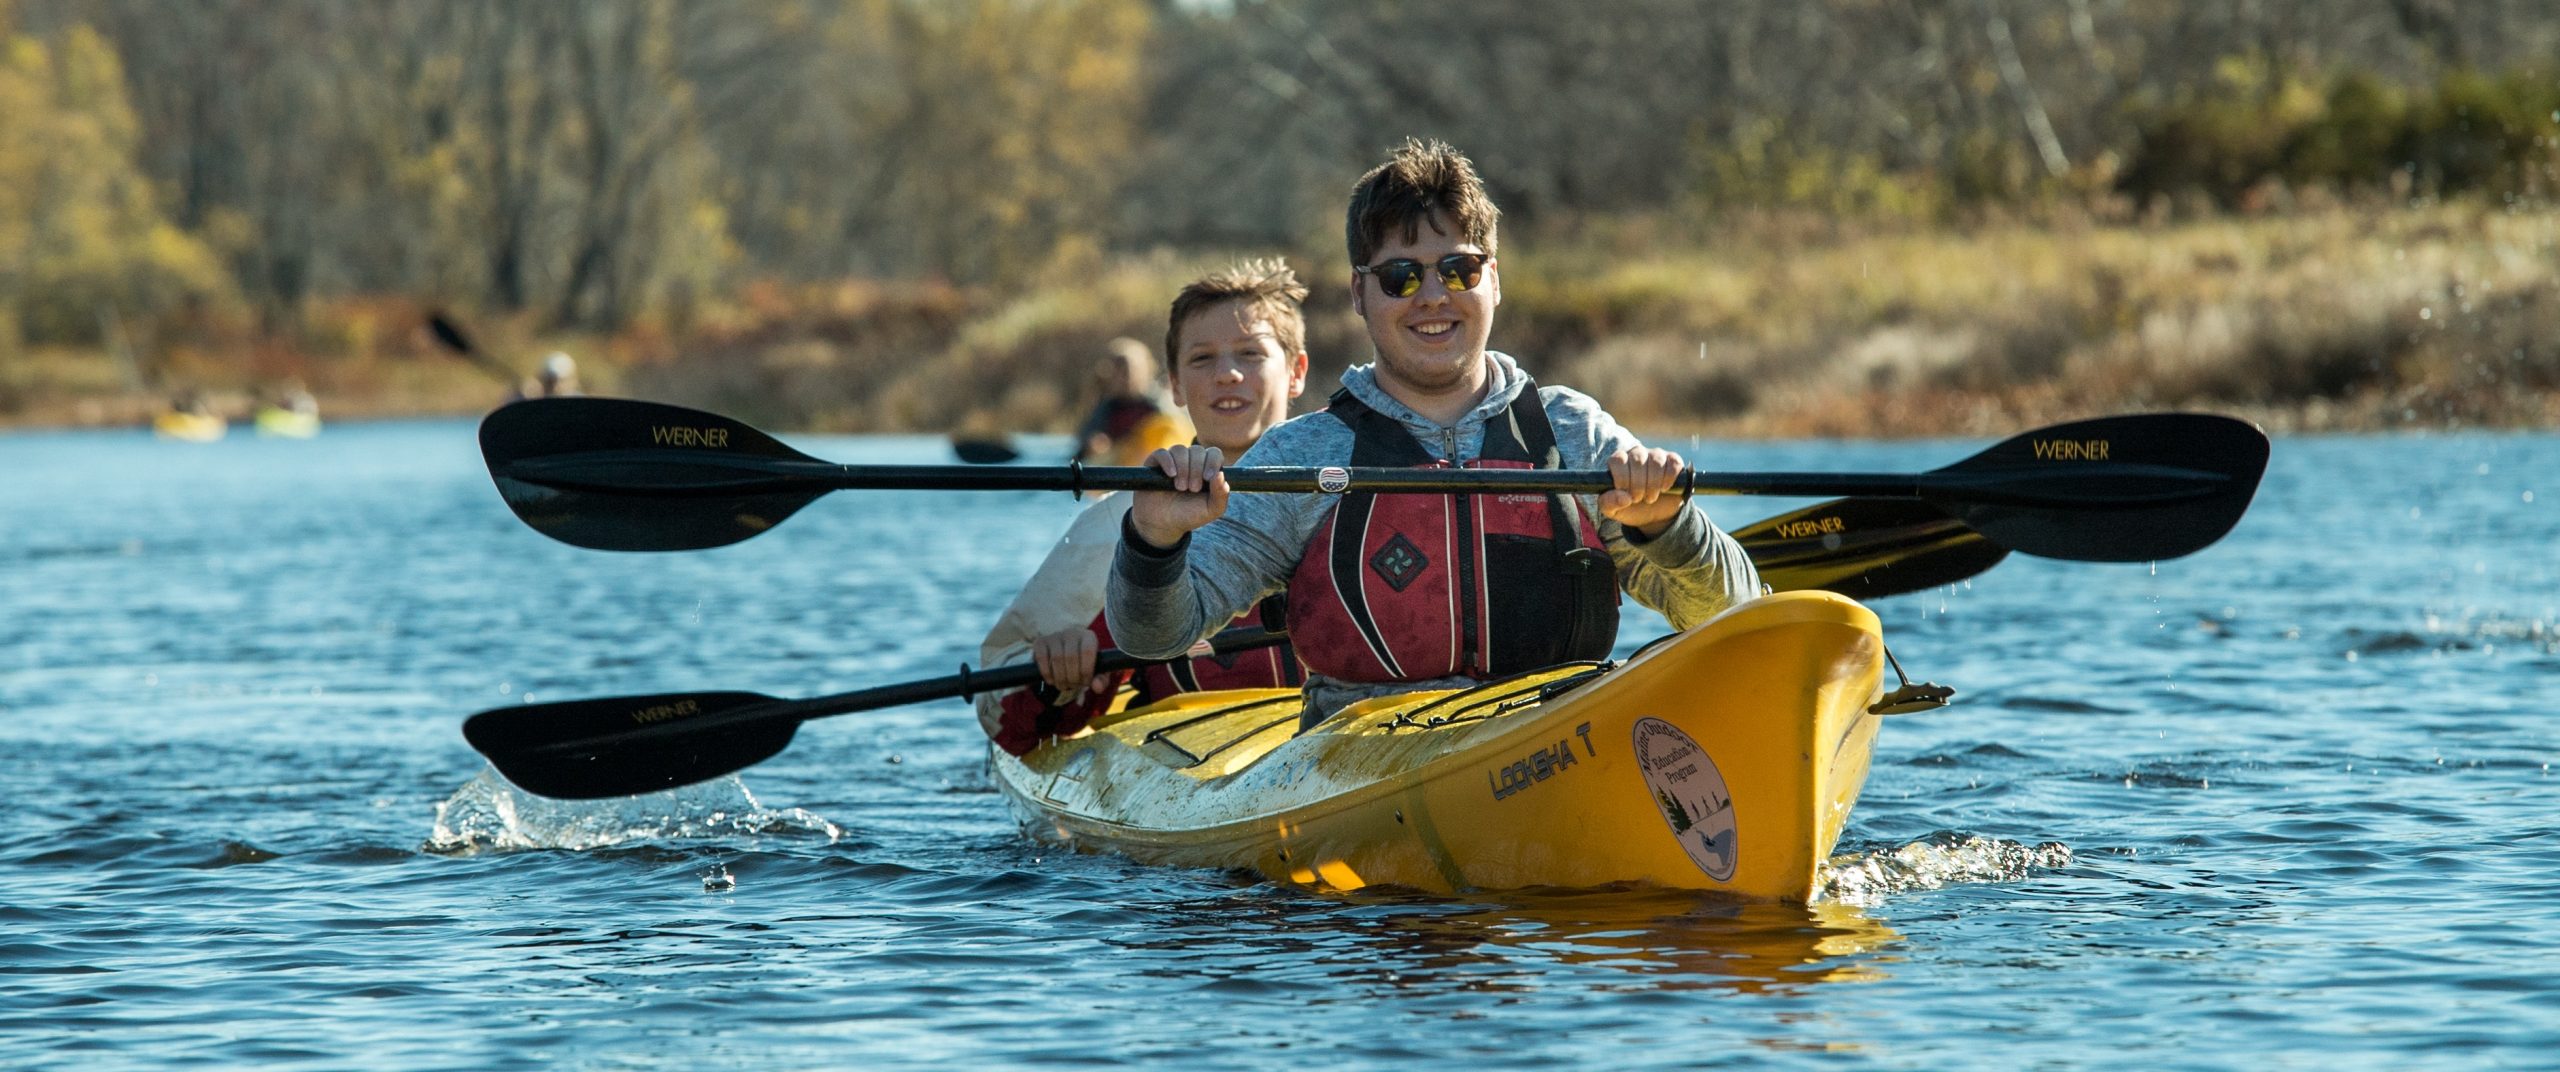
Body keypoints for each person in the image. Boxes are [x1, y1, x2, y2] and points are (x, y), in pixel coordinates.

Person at [1105, 139, 1761, 732]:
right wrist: (1153, 542)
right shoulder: (1303, 457)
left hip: (1559, 736)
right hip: (1362, 758)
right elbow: (1153, 636)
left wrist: (1669, 532)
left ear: (1493, 281)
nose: (1431, 296)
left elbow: (1734, 612)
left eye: (1459, 269)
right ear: (1361, 295)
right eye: (1400, 277)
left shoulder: (1573, 432)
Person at [976, 260, 1312, 755]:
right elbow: (1005, 718)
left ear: (1296, 373)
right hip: (1187, 757)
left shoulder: (1356, 499)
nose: (1228, 374)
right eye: (1202, 359)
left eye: (1250, 353)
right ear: (1174, 385)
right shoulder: (1117, 524)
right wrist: (1056, 675)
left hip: (1331, 744)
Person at [1071, 337, 1187, 465]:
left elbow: (1180, 437)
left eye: (1132, 369)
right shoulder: (1106, 409)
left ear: (1148, 369)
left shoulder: (1162, 405)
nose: (1128, 377)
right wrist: (1094, 447)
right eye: (1120, 370)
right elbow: (1081, 453)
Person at [509, 352, 582, 401]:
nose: (556, 387)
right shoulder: (532, 399)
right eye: (550, 381)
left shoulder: (581, 404)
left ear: (573, 380)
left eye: (562, 381)